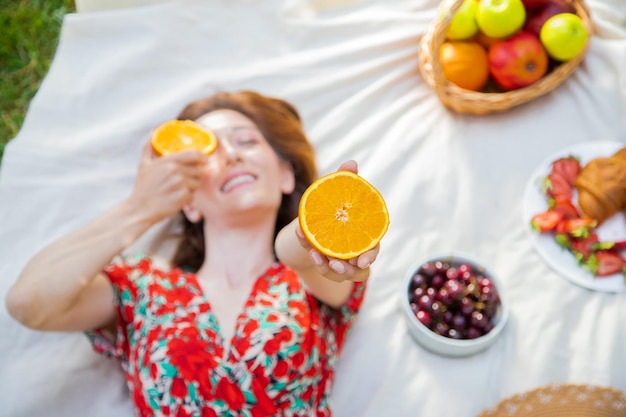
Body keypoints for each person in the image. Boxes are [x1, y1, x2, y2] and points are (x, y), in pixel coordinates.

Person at [5, 90, 380, 416]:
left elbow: (295, 253)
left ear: (284, 175)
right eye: (209, 152)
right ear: (190, 203)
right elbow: (29, 302)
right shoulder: (142, 290)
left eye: (247, 141)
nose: (231, 155)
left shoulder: (315, 279)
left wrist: (315, 232)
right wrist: (140, 207)